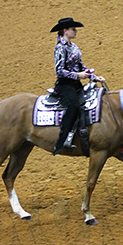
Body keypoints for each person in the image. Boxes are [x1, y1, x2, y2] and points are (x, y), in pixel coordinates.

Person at [50, 17, 105, 155]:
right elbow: (59, 71)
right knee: (73, 106)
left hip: (76, 84)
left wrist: (94, 77)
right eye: (73, 29)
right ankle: (63, 140)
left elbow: (82, 66)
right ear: (65, 31)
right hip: (65, 85)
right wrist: (78, 76)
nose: (75, 32)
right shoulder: (60, 48)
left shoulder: (73, 47)